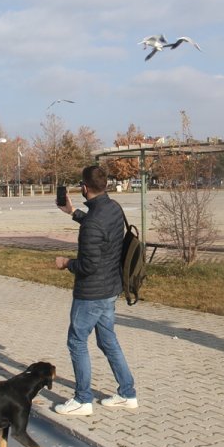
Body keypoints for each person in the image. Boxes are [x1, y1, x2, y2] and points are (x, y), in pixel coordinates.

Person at [53, 165, 137, 416]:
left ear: (84, 188)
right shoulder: (112, 208)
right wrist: (72, 212)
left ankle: (82, 400)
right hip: (111, 288)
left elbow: (88, 265)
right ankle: (127, 394)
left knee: (77, 342)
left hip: (92, 293)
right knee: (108, 341)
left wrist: (66, 263)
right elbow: (98, 228)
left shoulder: (93, 223)